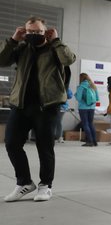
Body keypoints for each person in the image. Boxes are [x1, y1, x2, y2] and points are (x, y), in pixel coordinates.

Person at [1, 16, 76, 202]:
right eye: (31, 32)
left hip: (47, 106)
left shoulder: (54, 49)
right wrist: (13, 40)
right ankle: (24, 182)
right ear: (25, 32)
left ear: (46, 31)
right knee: (11, 143)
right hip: (21, 104)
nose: (34, 35)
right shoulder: (21, 48)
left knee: (45, 147)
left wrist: (56, 40)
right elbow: (1, 61)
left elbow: (69, 59)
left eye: (38, 31)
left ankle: (45, 186)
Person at [75, 73, 99, 147]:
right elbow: (97, 98)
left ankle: (89, 141)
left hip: (83, 108)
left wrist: (76, 94)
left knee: (85, 124)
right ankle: (94, 141)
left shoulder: (81, 87)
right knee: (91, 123)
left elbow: (78, 98)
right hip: (92, 108)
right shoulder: (93, 86)